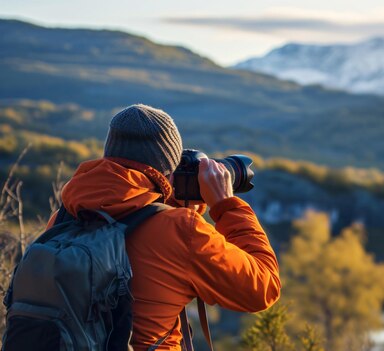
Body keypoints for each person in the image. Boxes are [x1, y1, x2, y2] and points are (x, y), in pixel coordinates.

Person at [46, 104, 281, 350]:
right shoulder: (180, 230)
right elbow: (263, 288)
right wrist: (225, 204)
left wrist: (169, 204)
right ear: (169, 167)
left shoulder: (63, 218)